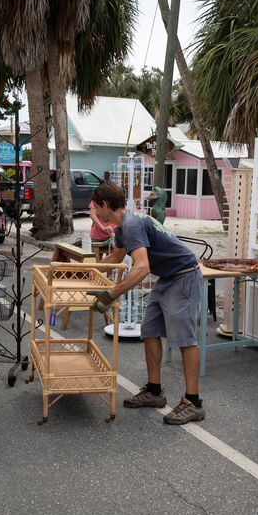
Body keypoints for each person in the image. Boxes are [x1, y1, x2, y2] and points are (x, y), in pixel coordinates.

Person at [89, 180, 204, 425]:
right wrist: (86, 272)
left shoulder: (131, 225)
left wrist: (111, 294)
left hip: (184, 276)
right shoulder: (123, 227)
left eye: (96, 208)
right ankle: (154, 391)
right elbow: (116, 257)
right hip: (167, 277)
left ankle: (193, 402)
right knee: (149, 331)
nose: (95, 213)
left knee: (185, 340)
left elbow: (142, 268)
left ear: (106, 205)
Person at [89, 195, 117, 261]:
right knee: (96, 262)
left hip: (112, 235)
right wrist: (102, 227)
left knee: (111, 261)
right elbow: (92, 214)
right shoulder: (96, 199)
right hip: (97, 235)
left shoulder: (115, 199)